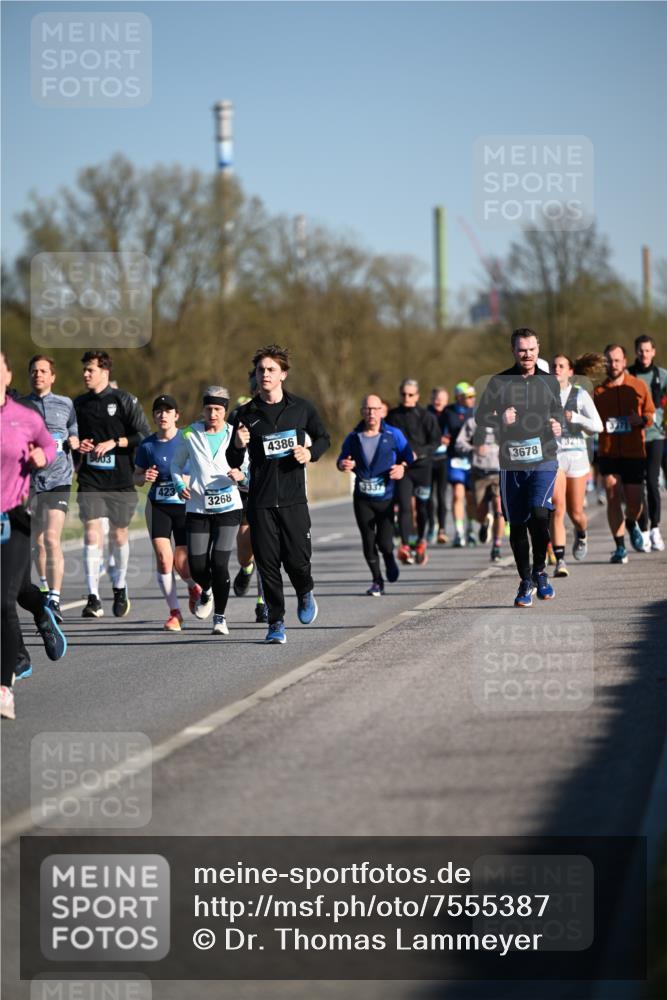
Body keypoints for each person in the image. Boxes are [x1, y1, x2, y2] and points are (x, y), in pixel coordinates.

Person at [232, 344, 330, 644]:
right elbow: (232, 461)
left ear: (283, 374)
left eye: (271, 369)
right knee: (268, 564)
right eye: (261, 370)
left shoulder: (302, 408)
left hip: (293, 499)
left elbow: (325, 438)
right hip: (260, 501)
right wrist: (237, 444)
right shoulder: (244, 414)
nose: (265, 374)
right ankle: (275, 623)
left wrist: (309, 453)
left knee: (297, 561)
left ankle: (304, 590)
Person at [474, 328, 564, 608]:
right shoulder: (500, 382)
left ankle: (540, 572)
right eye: (522, 350)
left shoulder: (549, 381)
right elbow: (481, 417)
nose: (527, 355)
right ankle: (525, 581)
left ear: (539, 349)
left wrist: (557, 423)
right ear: (513, 351)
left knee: (539, 514)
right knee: (517, 525)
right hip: (511, 463)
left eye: (532, 349)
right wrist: (500, 416)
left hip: (544, 458)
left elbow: (557, 411)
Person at [1, 352, 67, 721]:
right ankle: (42, 611)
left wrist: (44, 455)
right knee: (18, 587)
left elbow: (51, 444)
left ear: (7, 374)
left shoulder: (24, 416)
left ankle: (6, 680)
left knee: (3, 598)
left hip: (14, 516)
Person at [74, 350, 150, 618]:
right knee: (92, 533)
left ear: (104, 372)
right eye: (84, 369)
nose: (85, 374)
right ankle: (93, 597)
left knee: (119, 535)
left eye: (90, 370)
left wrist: (115, 443)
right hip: (91, 479)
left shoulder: (124, 399)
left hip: (120, 479)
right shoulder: (79, 404)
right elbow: (74, 438)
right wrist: (79, 445)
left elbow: (143, 434)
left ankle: (120, 587)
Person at [170, 387, 245, 636]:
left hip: (229, 507)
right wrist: (180, 483)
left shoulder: (236, 433)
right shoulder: (190, 432)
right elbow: (175, 464)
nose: (213, 414)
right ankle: (207, 590)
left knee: (220, 562)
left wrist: (241, 475)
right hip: (198, 507)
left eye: (218, 409)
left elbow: (248, 467)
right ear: (203, 409)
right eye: (209, 409)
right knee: (197, 564)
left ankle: (220, 617)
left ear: (225, 410)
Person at [133, 395, 202, 631]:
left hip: (184, 505)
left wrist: (187, 480)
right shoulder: (147, 445)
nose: (163, 415)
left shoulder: (188, 439)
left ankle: (193, 586)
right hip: (158, 505)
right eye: (158, 411)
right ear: (153, 416)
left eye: (168, 411)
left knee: (182, 563)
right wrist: (144, 478)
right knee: (164, 559)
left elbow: (203, 469)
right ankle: (175, 613)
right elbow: (136, 476)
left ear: (177, 415)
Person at [337, 394, 413, 595]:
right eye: (367, 409)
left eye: (375, 409)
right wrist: (344, 464)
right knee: (368, 540)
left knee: (385, 543)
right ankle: (377, 580)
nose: (371, 413)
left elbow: (409, 456)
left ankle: (389, 557)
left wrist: (401, 467)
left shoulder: (393, 434)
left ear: (382, 411)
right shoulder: (353, 437)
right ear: (362, 411)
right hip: (362, 499)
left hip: (386, 498)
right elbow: (341, 459)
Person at [22, 355, 79, 622]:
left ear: (52, 376)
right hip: (30, 482)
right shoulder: (20, 406)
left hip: (59, 480)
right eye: (34, 371)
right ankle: (44, 587)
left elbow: (73, 429)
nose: (38, 375)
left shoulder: (66, 403)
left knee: (52, 538)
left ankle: (55, 597)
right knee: (37, 542)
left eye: (43, 371)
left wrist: (75, 439)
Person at [594, 344, 655, 563]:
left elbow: (650, 413)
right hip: (608, 451)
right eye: (609, 361)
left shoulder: (638, 386)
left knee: (634, 504)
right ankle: (620, 547)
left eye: (617, 360)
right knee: (611, 494)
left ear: (624, 360)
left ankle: (631, 522)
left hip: (633, 452)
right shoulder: (599, 392)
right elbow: (592, 421)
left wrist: (642, 420)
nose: (613, 365)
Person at [549, 355, 603, 576]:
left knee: (576, 512)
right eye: (554, 366)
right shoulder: (544, 397)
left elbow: (597, 426)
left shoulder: (579, 395)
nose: (556, 369)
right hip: (555, 458)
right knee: (557, 508)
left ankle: (581, 533)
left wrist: (578, 418)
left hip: (577, 458)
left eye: (561, 366)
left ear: (570, 371)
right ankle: (560, 560)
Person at [387, 379, 441, 566]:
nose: (406, 398)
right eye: (403, 394)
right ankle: (404, 545)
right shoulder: (392, 416)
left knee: (422, 507)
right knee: (404, 506)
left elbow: (435, 442)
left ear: (417, 396)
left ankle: (420, 541)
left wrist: (420, 453)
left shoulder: (426, 416)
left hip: (423, 468)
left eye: (410, 395)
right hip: (403, 469)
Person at [228, 384, 268, 624]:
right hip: (241, 495)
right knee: (245, 553)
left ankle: (262, 603)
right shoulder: (231, 440)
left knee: (265, 550)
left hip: (261, 493)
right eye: (241, 426)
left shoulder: (265, 431)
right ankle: (246, 569)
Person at [628, 334, 667, 552]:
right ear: (636, 352)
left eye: (647, 350)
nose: (644, 354)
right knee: (637, 486)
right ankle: (642, 530)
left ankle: (655, 529)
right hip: (633, 438)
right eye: (640, 350)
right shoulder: (629, 375)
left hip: (655, 436)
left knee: (652, 482)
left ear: (653, 351)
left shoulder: (662, 376)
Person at [455, 414, 505, 562]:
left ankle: (496, 546)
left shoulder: (505, 420)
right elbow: (459, 443)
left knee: (498, 508)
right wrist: (474, 449)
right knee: (480, 513)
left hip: (499, 471)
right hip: (479, 472)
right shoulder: (473, 422)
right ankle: (484, 522)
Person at [442, 382, 478, 547]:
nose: (472, 399)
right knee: (458, 494)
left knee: (471, 497)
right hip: (455, 458)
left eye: (473, 396)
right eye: (469, 397)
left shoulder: (477, 412)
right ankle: (459, 532)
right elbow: (440, 431)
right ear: (459, 397)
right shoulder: (448, 412)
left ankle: (470, 529)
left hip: (473, 459)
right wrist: (442, 439)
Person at [427, 386, 450, 544]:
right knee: (427, 495)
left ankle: (442, 529)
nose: (438, 401)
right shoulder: (425, 413)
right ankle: (431, 526)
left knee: (441, 495)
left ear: (446, 400)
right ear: (431, 399)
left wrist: (449, 439)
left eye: (441, 399)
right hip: (428, 459)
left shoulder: (450, 413)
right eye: (436, 398)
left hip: (444, 459)